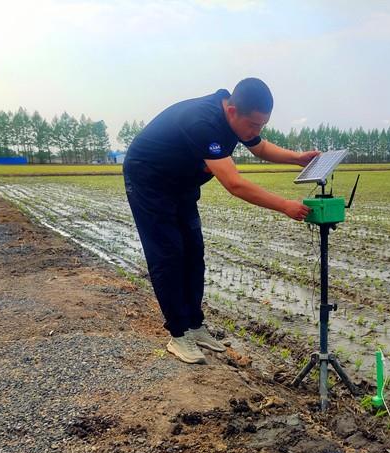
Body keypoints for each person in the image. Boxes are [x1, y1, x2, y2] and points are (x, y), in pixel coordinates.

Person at [123, 77, 318, 364]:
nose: (255, 131)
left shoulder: (239, 116)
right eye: (253, 125)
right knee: (168, 254)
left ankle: (194, 325)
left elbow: (259, 147)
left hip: (182, 182)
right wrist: (285, 206)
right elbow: (235, 184)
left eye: (261, 125)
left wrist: (297, 158)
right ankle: (178, 335)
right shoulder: (204, 123)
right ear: (231, 112)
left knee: (193, 251)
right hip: (149, 180)